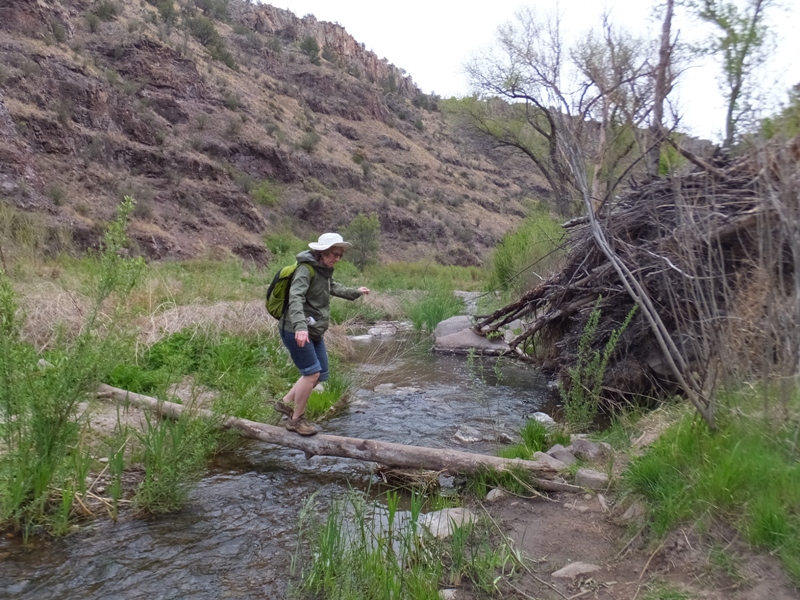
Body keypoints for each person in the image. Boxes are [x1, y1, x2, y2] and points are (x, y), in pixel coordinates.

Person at [273, 233, 370, 435]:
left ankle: (284, 404)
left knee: (320, 373)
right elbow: (295, 298)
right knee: (311, 374)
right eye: (335, 254)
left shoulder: (323, 270)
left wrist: (356, 292)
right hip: (296, 329)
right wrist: (300, 327)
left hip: (314, 330)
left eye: (340, 255)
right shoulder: (305, 270)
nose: (337, 258)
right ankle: (296, 420)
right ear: (322, 251)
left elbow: (332, 287)